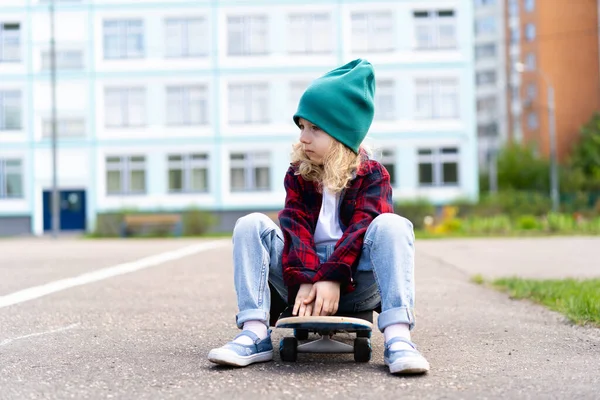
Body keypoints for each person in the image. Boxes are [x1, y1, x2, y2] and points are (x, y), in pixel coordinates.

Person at [208, 58, 430, 375]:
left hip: (355, 281)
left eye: (314, 128)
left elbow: (361, 230)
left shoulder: (372, 176)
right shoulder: (299, 174)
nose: (303, 138)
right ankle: (254, 333)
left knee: (392, 225)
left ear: (341, 134)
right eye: (301, 127)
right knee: (251, 224)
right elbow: (295, 227)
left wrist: (330, 276)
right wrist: (305, 277)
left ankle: (399, 339)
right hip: (303, 280)